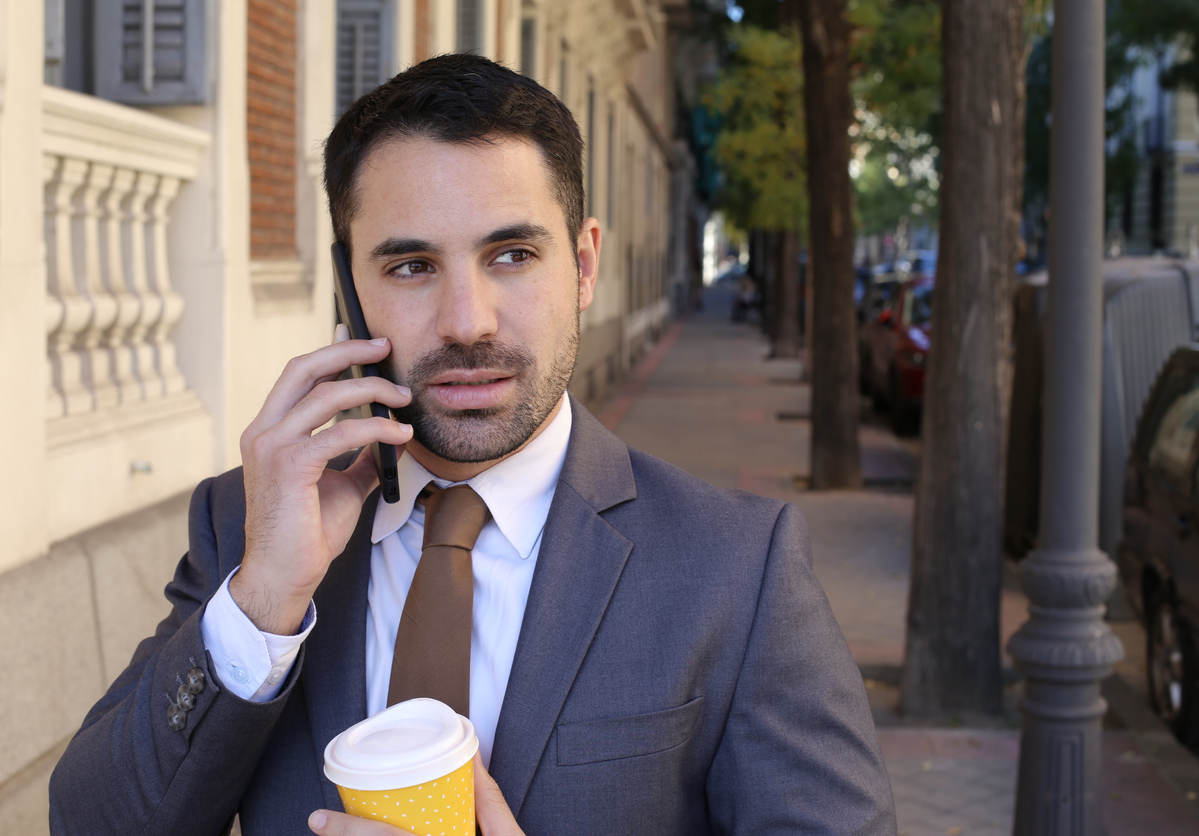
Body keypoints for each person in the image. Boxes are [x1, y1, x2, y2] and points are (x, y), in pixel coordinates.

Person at [50, 54, 895, 836]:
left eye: (513, 254)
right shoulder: (249, 525)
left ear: (584, 264)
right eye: (412, 267)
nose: (467, 322)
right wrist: (261, 600)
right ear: (348, 288)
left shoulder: (737, 568)